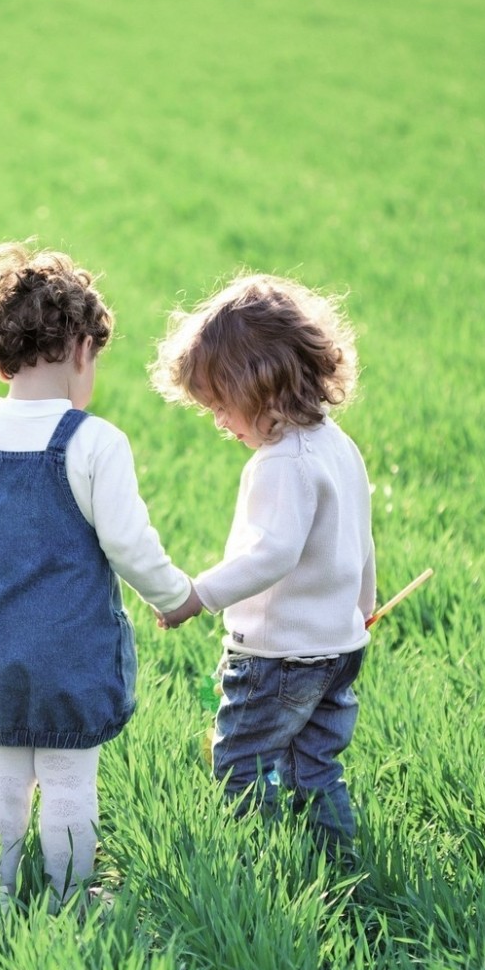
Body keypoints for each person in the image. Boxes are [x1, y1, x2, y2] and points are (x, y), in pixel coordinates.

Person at [0, 242, 194, 908]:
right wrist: (174, 597)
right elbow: (130, 542)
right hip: (72, 655)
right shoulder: (94, 442)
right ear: (81, 350)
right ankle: (68, 899)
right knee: (69, 783)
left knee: (0, 780)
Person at [150, 273, 375, 866]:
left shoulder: (283, 463)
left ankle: (251, 868)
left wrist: (199, 595)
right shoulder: (336, 445)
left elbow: (272, 554)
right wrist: (361, 611)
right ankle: (338, 862)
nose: (221, 422)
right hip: (338, 648)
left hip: (279, 657)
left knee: (239, 763)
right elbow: (360, 539)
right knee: (313, 765)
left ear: (260, 387)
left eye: (223, 406)